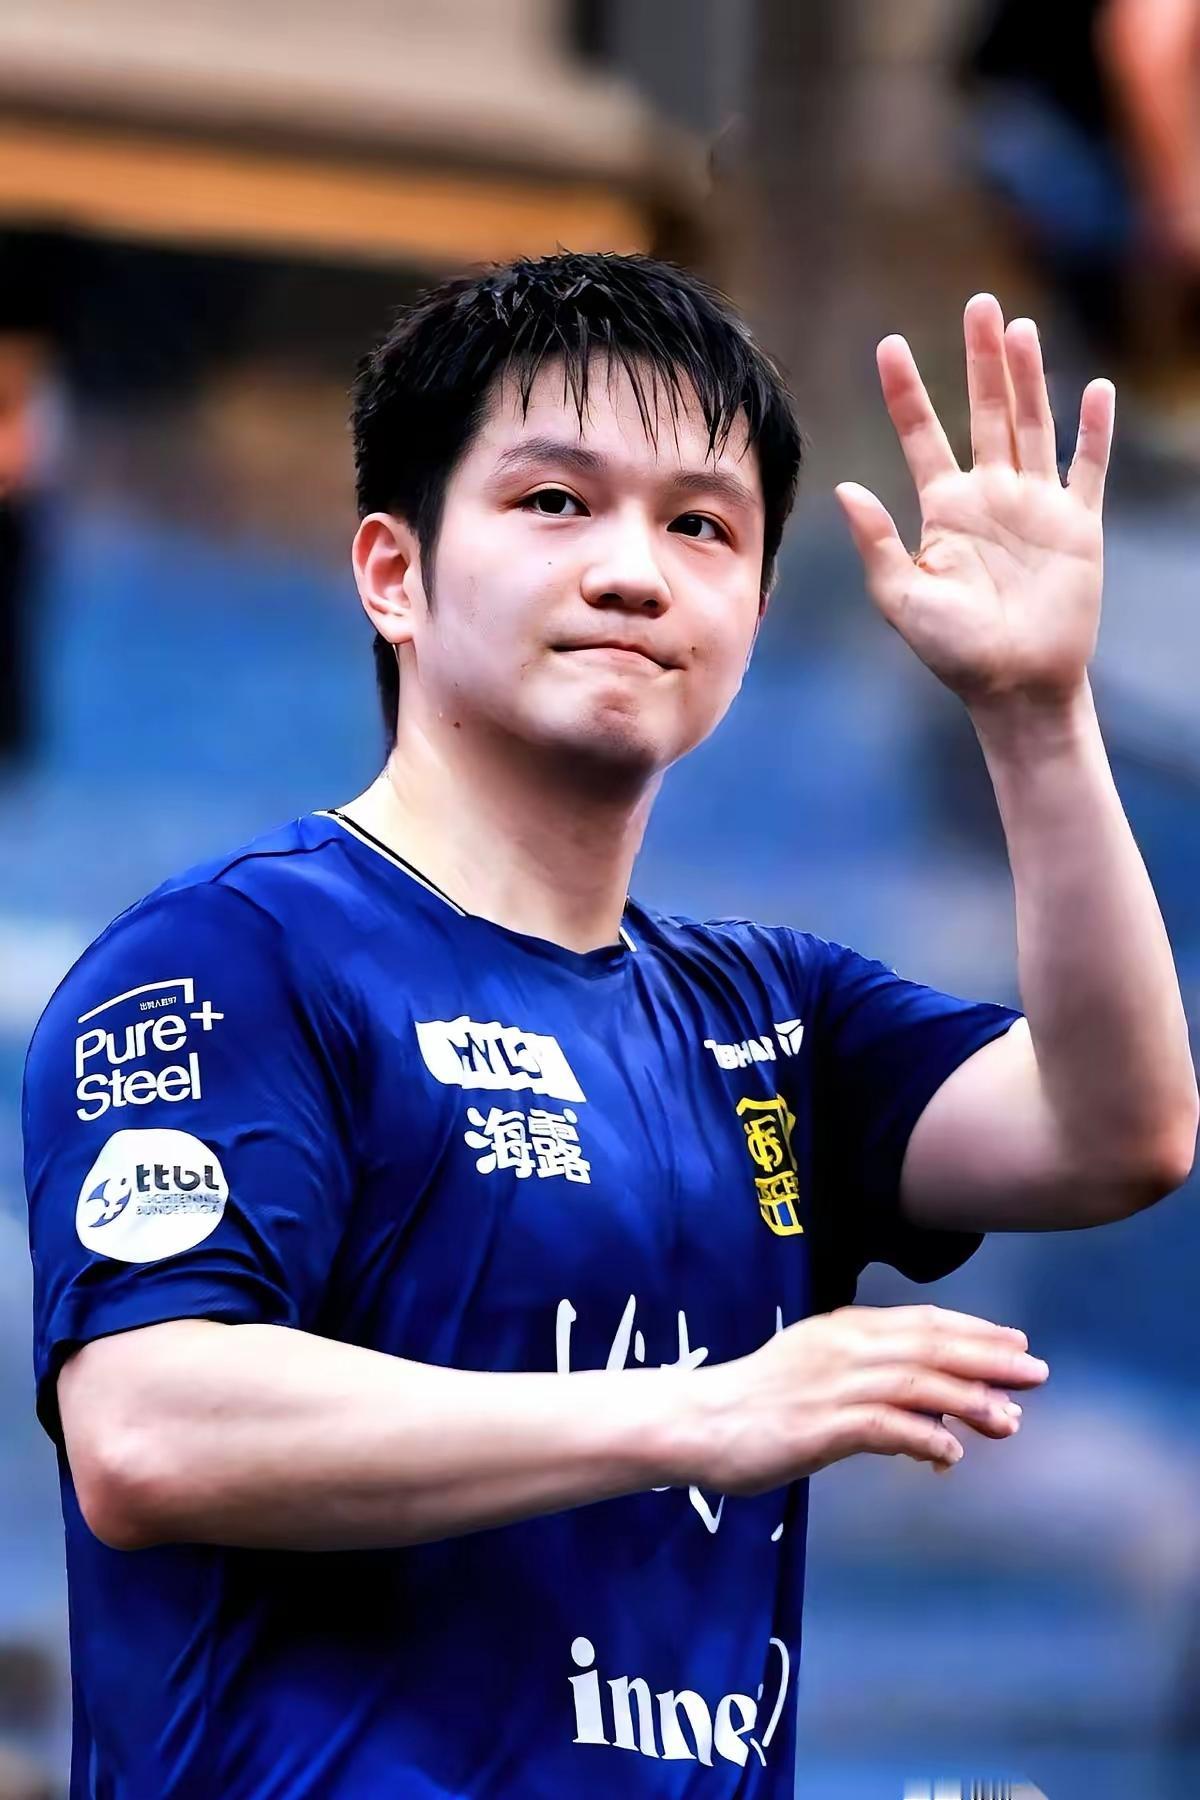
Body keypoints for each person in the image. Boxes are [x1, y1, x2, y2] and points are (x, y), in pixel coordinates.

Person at [22, 252, 1197, 1798]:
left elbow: (1119, 1132)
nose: (635, 572)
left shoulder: (775, 1015)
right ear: (392, 573)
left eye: (701, 526)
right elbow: (152, 1431)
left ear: (755, 614)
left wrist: (1038, 716)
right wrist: (701, 1411)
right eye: (556, 502)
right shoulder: (231, 959)